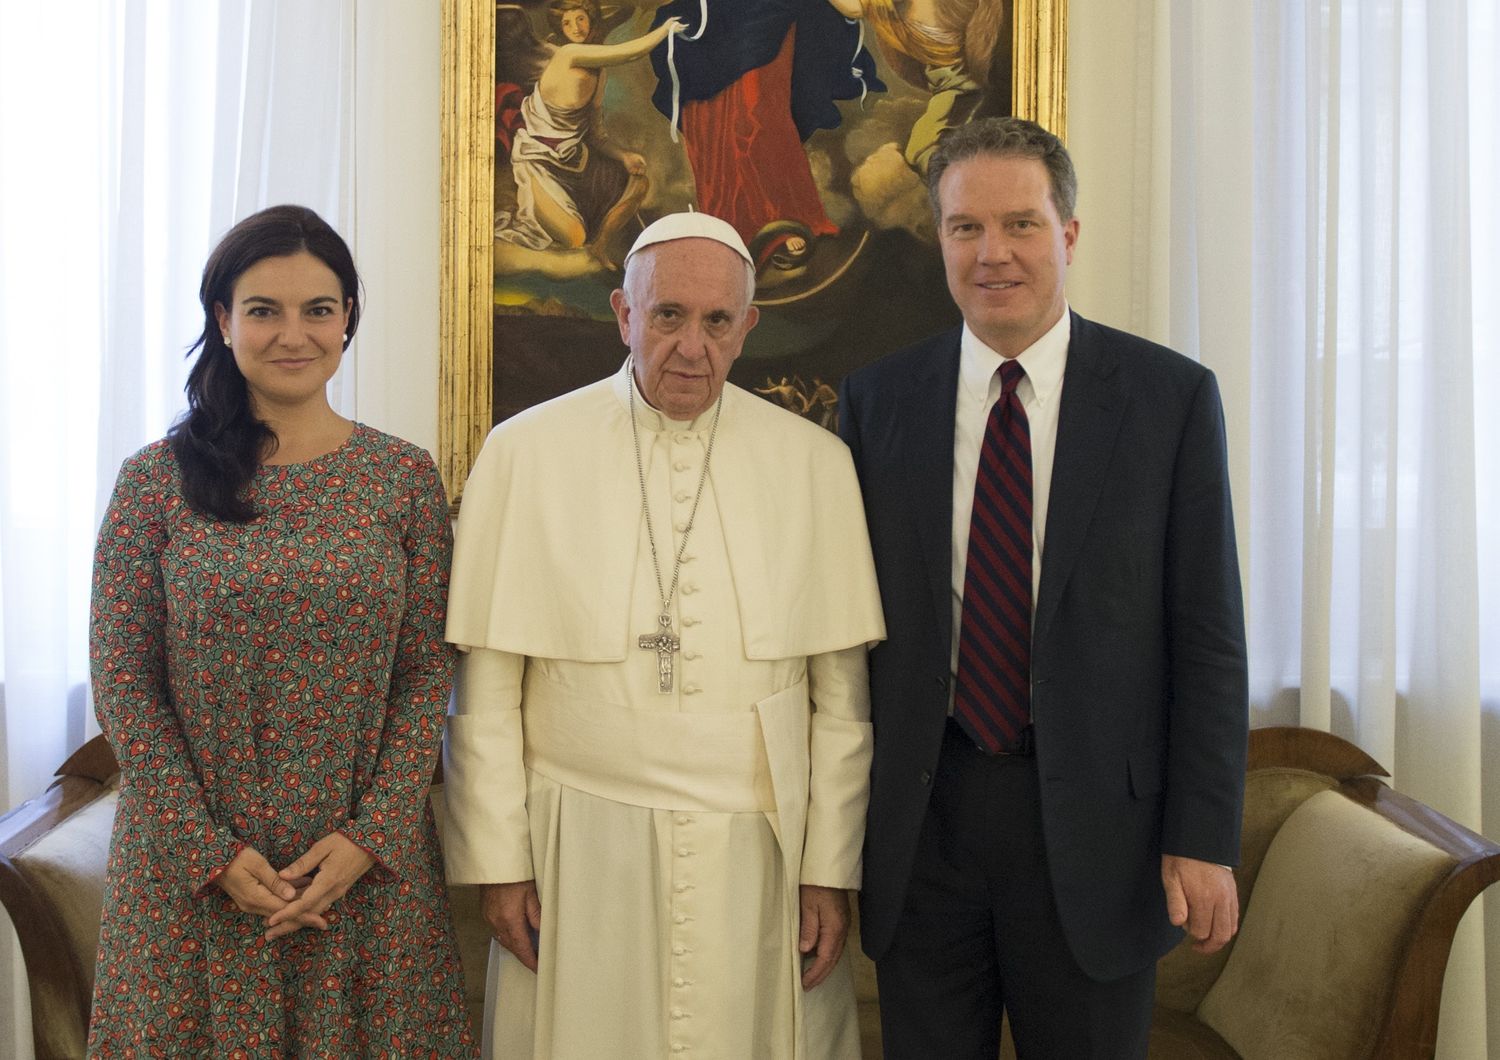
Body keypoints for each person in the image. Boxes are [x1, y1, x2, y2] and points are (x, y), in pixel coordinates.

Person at [838, 117, 1249, 1058]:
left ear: (1068, 234)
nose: (993, 254)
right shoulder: (876, 402)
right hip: (924, 829)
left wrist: (1205, 835)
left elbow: (1209, 636)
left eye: (1020, 224)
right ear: (937, 238)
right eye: (964, 228)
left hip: (1101, 838)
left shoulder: (1168, 400)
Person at [443, 211, 886, 1059]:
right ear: (622, 314)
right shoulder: (524, 452)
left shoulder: (814, 463)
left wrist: (829, 867)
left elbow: (841, 699)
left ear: (748, 326)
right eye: (667, 316)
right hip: (578, 835)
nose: (691, 346)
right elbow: (490, 685)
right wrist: (499, 863)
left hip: (758, 842)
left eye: (717, 321)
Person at [87, 205, 475, 1057]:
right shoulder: (155, 481)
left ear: (348, 323)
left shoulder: (403, 479)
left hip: (364, 877)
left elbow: (425, 677)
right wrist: (211, 854)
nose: (291, 333)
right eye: (263, 309)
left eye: (318, 309)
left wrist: (371, 838)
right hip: (192, 878)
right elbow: (124, 685)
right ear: (222, 322)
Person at [497, 2, 686, 267]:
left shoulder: (599, 72)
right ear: (560, 29)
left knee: (639, 183)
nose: (575, 27)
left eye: (581, 19)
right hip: (540, 163)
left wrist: (624, 156)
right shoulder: (568, 55)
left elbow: (596, 135)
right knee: (574, 238)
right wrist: (664, 30)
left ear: (591, 20)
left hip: (575, 160)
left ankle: (600, 248)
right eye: (567, 22)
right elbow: (628, 53)